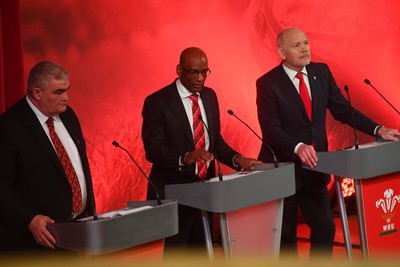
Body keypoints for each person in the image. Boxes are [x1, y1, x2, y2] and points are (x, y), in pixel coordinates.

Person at [256, 27, 399, 258]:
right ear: (282, 52)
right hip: (283, 170)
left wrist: (379, 129)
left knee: (325, 228)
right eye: (297, 45)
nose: (304, 49)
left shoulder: (320, 72)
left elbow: (343, 110)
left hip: (315, 168)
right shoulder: (268, 83)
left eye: (306, 43)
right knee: (286, 239)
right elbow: (270, 130)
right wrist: (298, 147)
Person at [142, 47, 261, 253]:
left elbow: (214, 142)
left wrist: (237, 159)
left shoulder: (209, 96)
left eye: (205, 72)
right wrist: (185, 157)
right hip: (174, 192)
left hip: (206, 191)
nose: (200, 78)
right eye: (193, 72)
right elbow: (153, 150)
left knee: (202, 252)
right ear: (179, 70)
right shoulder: (157, 102)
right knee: (177, 256)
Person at [0, 61, 96, 253]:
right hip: (37, 243)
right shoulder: (9, 127)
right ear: (37, 93)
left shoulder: (68, 116)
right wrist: (29, 219)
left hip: (77, 233)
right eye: (58, 92)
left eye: (67, 90)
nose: (67, 98)